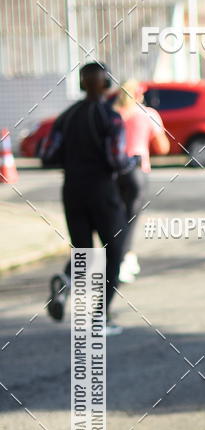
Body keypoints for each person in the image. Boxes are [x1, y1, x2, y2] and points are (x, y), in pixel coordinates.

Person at [40, 62, 139, 333]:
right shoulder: (111, 117)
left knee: (83, 252)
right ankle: (99, 319)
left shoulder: (66, 117)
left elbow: (46, 155)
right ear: (106, 85)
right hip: (103, 192)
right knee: (113, 254)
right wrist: (133, 161)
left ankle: (64, 281)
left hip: (72, 190)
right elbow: (117, 161)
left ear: (83, 84)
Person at [113, 79, 170, 282]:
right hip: (136, 171)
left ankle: (117, 260)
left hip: (112, 172)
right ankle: (123, 261)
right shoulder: (148, 114)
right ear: (139, 96)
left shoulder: (114, 114)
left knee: (113, 219)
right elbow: (163, 147)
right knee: (130, 219)